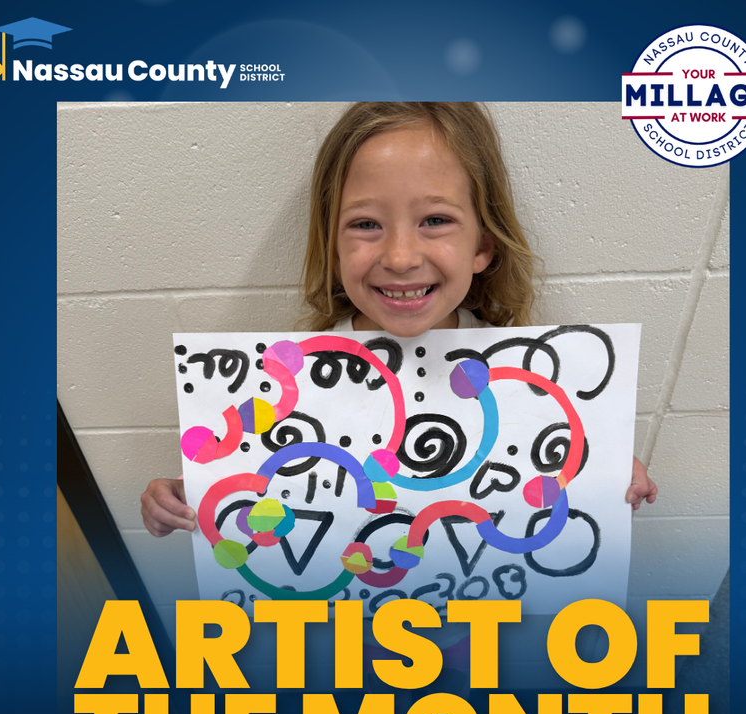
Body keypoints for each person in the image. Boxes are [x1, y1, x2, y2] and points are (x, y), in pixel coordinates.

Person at [141, 101, 656, 537]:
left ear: (483, 244)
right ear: (332, 245)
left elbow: (545, 484)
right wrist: (190, 494)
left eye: (435, 220)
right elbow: (258, 480)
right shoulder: (289, 382)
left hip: (476, 626)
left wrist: (604, 473)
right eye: (366, 224)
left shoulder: (532, 382)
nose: (402, 256)